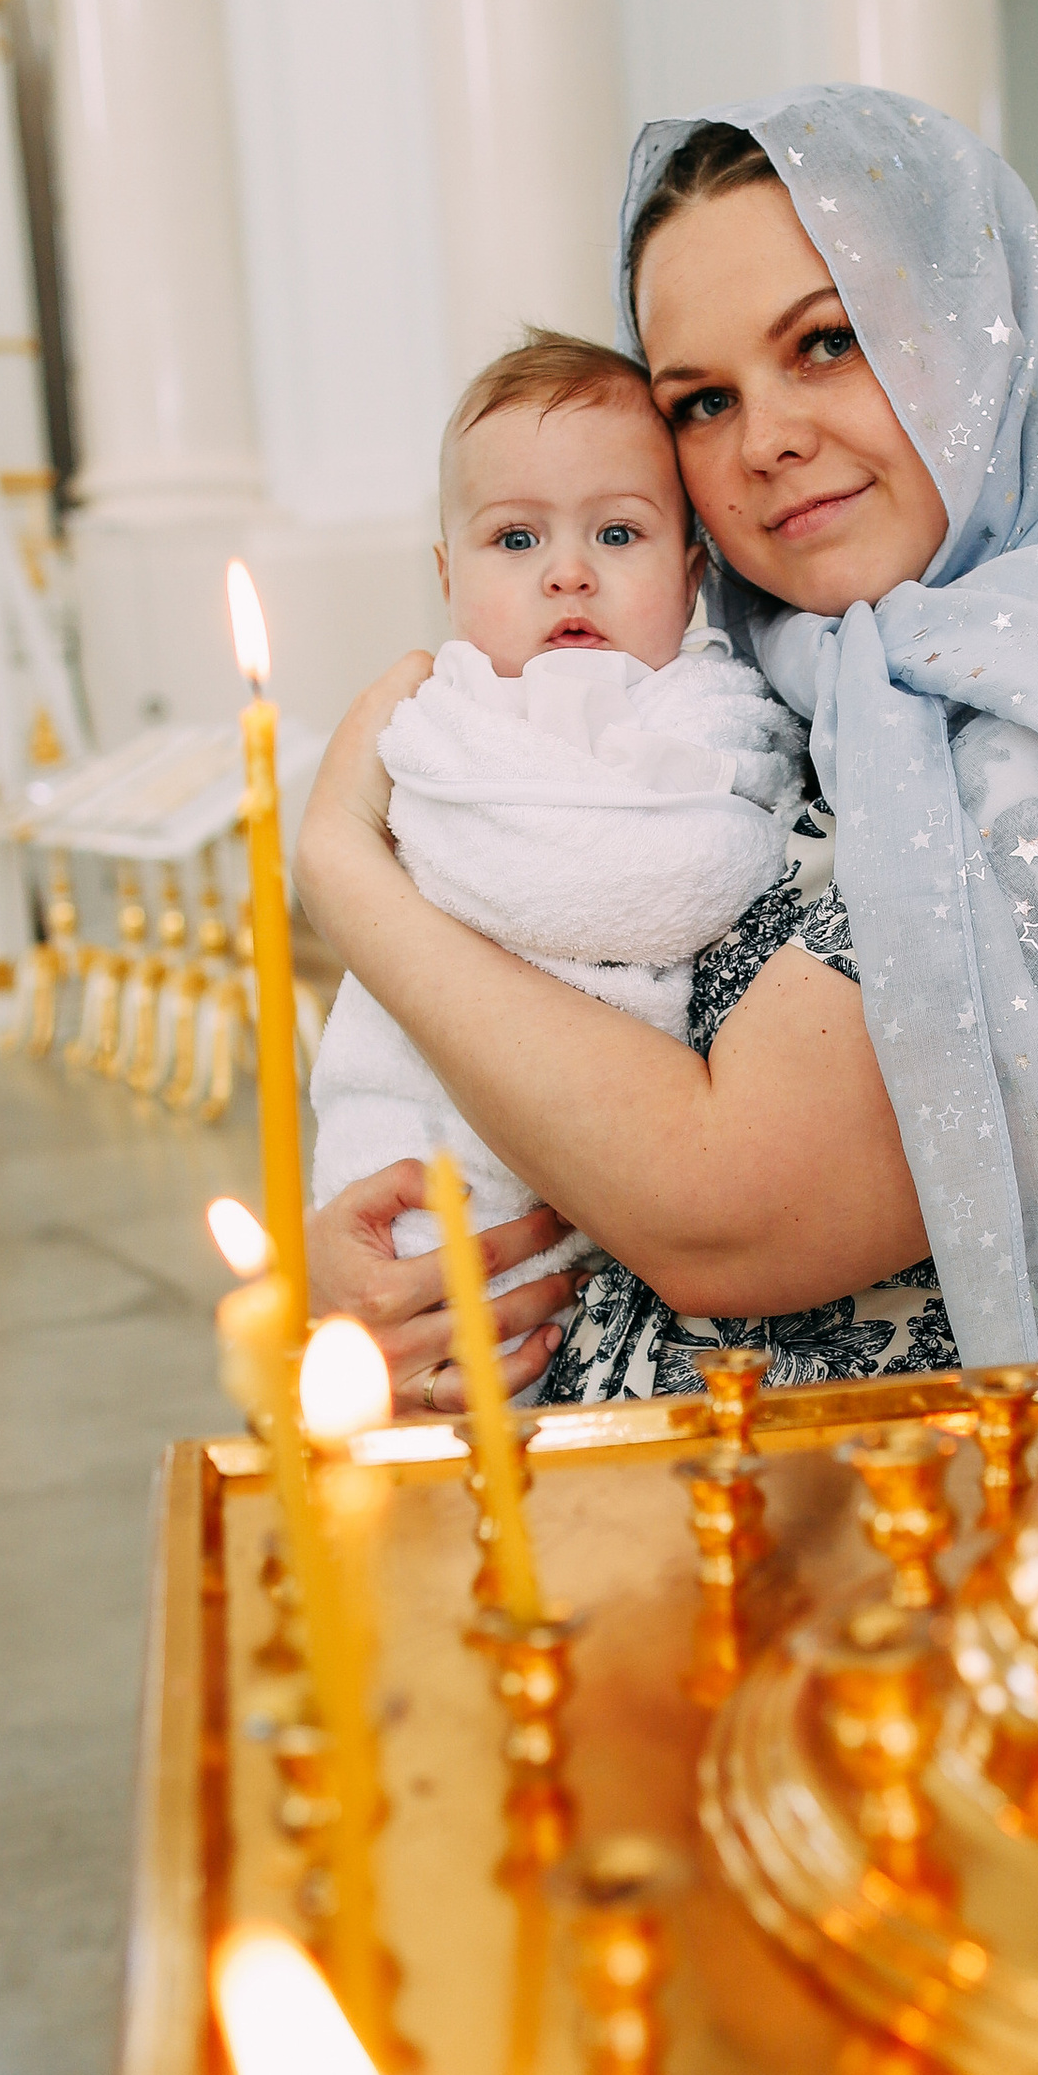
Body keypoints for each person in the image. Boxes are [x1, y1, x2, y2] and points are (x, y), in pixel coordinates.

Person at [296, 87, 1038, 1413]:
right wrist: (390, 1268)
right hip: (641, 1509)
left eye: (827, 342)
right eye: (698, 401)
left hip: (926, 1538)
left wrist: (349, 875)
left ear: (973, 330)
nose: (767, 441)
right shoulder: (793, 681)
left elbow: (722, 1208)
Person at [306, 330, 803, 1399]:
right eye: (515, 539)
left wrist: (345, 861)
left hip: (646, 1196)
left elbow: (682, 878)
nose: (568, 570)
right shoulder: (438, 728)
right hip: (431, 1145)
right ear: (448, 576)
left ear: (691, 572)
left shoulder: (714, 720)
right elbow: (455, 859)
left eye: (617, 533)